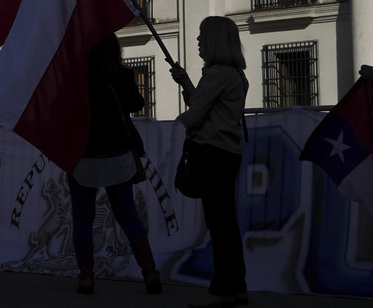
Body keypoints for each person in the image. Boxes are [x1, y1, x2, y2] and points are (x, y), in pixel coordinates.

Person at [67, 34, 160, 295]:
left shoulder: (76, 78)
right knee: (127, 214)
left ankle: (86, 277)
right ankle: (150, 272)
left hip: (83, 155)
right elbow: (137, 104)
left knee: (82, 217)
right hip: (118, 155)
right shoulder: (123, 76)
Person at [170, 16, 249, 308]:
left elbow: (196, 114)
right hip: (227, 154)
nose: (199, 41)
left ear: (215, 40)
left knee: (220, 225)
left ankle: (222, 289)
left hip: (211, 155)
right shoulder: (235, 74)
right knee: (226, 223)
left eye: (203, 36)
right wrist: (187, 82)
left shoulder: (217, 74)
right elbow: (206, 105)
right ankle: (237, 286)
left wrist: (176, 124)